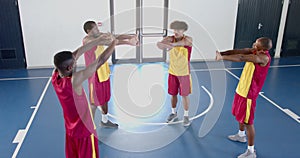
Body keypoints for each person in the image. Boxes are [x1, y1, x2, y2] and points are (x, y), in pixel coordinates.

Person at [52, 33, 118, 158]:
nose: (76, 62)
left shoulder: (55, 76)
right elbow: (100, 61)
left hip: (70, 131)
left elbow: (75, 54)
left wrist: (97, 40)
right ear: (70, 67)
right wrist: (114, 43)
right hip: (85, 132)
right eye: (75, 62)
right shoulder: (74, 80)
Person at [216, 37, 272, 158]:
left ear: (262, 49)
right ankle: (241, 135)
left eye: (256, 44)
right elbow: (238, 51)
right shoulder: (255, 51)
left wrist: (222, 58)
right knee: (239, 115)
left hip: (249, 95)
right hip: (241, 90)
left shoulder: (263, 58)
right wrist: (222, 53)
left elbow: (241, 58)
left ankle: (251, 152)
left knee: (248, 122)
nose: (253, 45)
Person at [82, 20, 138, 128]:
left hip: (103, 72)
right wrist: (128, 42)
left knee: (105, 98)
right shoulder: (87, 40)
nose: (98, 30)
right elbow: (108, 42)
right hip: (95, 75)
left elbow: (114, 37)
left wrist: (130, 36)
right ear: (89, 31)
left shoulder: (98, 36)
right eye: (95, 29)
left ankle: (104, 121)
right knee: (94, 103)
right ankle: (89, 130)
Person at [156, 20, 193, 126]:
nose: (176, 31)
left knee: (185, 95)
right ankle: (173, 113)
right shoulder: (169, 38)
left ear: (184, 30)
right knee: (173, 94)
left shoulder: (188, 39)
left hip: (184, 73)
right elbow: (159, 44)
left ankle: (186, 116)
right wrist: (164, 44)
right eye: (175, 29)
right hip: (173, 72)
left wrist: (172, 45)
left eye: (179, 29)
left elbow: (185, 43)